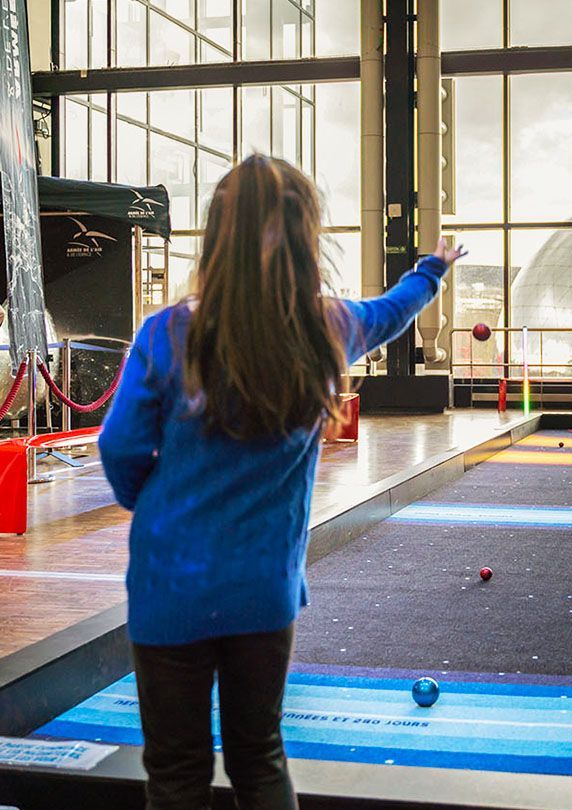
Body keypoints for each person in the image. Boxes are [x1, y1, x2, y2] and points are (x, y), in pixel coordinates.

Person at [98, 154, 465, 810]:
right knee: (259, 759)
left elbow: (120, 449)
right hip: (261, 595)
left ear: (217, 236)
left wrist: (155, 507)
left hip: (168, 587)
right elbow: (394, 309)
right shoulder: (326, 329)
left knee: (176, 775)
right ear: (304, 239)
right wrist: (432, 268)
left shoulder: (165, 333)